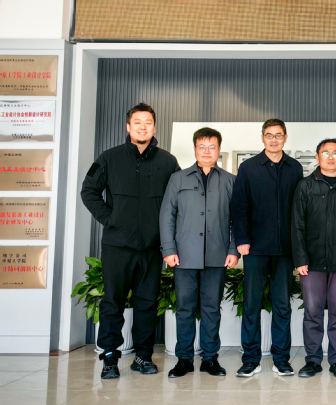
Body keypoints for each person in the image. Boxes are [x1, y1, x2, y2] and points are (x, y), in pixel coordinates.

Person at [80, 103, 180, 379]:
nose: (142, 127)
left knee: (147, 304)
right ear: (128, 127)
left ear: (154, 127)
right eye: (137, 122)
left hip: (151, 247)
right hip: (117, 245)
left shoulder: (168, 162)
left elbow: (178, 200)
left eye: (148, 122)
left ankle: (143, 357)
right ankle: (109, 358)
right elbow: (88, 191)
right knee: (112, 302)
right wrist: (110, 220)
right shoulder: (109, 157)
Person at [159, 127, 239, 378]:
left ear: (219, 150)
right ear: (195, 149)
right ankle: (184, 359)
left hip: (217, 255)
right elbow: (167, 215)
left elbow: (238, 219)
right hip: (184, 256)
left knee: (211, 309)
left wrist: (233, 249)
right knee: (184, 308)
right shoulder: (178, 178)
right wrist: (168, 249)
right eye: (202, 147)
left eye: (212, 147)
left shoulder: (230, 180)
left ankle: (210, 359)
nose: (207, 151)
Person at [230, 119, 304, 377]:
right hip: (255, 248)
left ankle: (281, 359)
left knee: (282, 305)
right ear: (263, 138)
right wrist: (241, 239)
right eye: (269, 135)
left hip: (285, 249)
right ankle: (250, 359)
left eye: (278, 135)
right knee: (252, 304)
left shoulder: (295, 168)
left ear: (285, 138)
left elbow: (299, 209)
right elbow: (239, 206)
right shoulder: (249, 167)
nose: (274, 140)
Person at [291, 138, 336, 379]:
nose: (331, 157)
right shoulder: (305, 186)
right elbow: (297, 225)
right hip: (312, 261)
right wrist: (300, 258)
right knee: (312, 312)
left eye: (335, 153)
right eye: (326, 153)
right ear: (317, 157)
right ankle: (312, 360)